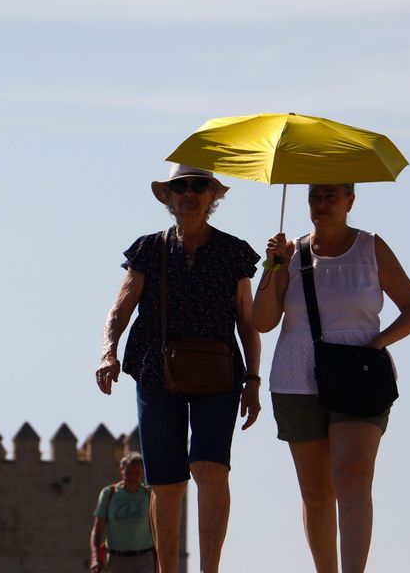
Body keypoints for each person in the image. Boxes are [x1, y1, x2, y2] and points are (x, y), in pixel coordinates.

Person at [95, 163, 263, 573]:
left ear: (213, 196)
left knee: (210, 468)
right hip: (156, 370)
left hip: (219, 374)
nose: (190, 192)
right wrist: (107, 351)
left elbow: (248, 320)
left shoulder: (234, 251)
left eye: (199, 185)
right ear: (169, 197)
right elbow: (120, 309)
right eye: (181, 186)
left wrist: (255, 379)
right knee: (167, 484)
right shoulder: (148, 249)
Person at [252, 183, 410, 573]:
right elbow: (262, 321)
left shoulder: (371, 248)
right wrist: (272, 265)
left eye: (332, 195)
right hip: (297, 378)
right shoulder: (291, 253)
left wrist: (378, 344)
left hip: (358, 375)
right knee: (316, 492)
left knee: (353, 475)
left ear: (351, 200)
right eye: (315, 195)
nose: (322, 203)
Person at [89, 452, 154, 573]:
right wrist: (95, 558)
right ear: (121, 470)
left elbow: (158, 528)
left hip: (144, 560)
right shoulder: (109, 493)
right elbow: (97, 531)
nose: (132, 477)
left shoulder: (148, 495)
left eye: (137, 473)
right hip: (115, 560)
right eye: (129, 472)